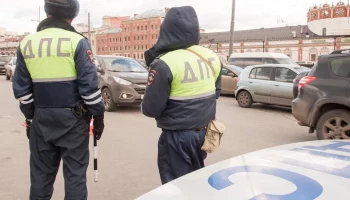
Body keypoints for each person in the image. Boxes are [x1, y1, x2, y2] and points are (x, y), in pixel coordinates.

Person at [12, 0, 105, 199]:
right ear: (72, 16)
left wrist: (31, 118)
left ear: (47, 13)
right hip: (73, 121)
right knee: (75, 178)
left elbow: (22, 90)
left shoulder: (27, 43)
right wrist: (98, 116)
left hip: (41, 119)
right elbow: (89, 89)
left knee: (40, 179)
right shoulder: (77, 41)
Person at [141, 6, 222, 185]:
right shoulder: (211, 57)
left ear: (166, 30)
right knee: (196, 181)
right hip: (204, 133)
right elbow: (215, 93)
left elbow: (150, 109)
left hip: (177, 138)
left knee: (175, 187)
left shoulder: (164, 63)